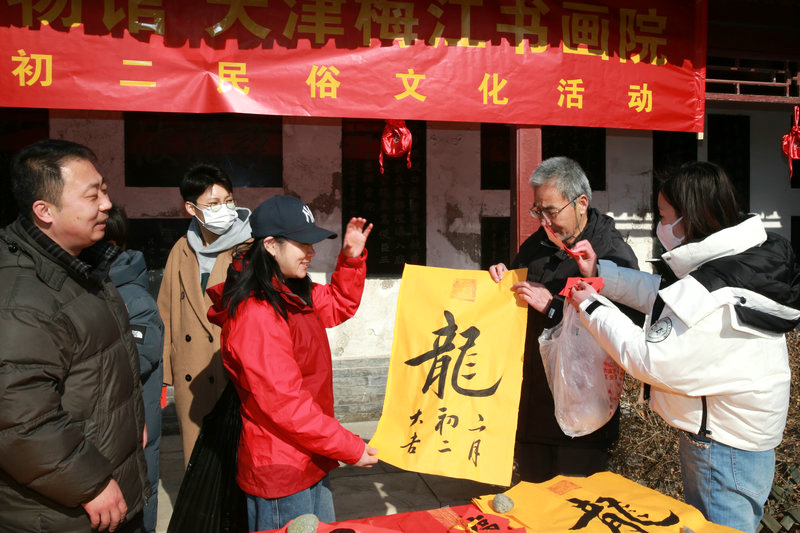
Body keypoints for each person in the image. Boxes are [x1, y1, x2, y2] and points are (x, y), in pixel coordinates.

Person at [567, 161, 800, 533]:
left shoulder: (712, 291)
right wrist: (602, 276)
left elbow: (648, 359)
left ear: (688, 218)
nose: (660, 226)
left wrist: (591, 306)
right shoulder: (744, 262)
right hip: (742, 437)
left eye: (663, 215)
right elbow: (668, 297)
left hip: (722, 449)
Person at [0, 139, 150, 532]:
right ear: (44, 211)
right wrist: (89, 482)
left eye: (104, 189)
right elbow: (18, 420)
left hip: (101, 489)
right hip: (64, 510)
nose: (106, 204)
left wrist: (129, 420)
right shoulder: (21, 297)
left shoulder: (78, 265)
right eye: (92, 195)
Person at [206, 194, 379, 532]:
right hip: (282, 467)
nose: (311, 252)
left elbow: (339, 303)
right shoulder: (257, 313)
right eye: (303, 244)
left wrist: (351, 259)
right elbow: (285, 403)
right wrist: (348, 445)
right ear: (270, 245)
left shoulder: (293, 291)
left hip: (311, 452)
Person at [489, 156, 643, 482]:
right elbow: (518, 293)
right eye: (537, 211)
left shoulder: (611, 254)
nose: (544, 220)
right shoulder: (538, 244)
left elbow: (626, 323)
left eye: (551, 210)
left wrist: (553, 306)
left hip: (583, 412)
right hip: (535, 406)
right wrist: (502, 280)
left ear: (581, 203)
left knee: (575, 510)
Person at [157, 163, 252, 465]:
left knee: (238, 462)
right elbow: (166, 312)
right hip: (192, 374)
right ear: (190, 208)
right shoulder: (181, 250)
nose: (223, 210)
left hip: (235, 373)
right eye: (213, 204)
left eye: (228, 202)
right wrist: (163, 374)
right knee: (199, 466)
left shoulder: (250, 248)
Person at [105, 206, 164, 533]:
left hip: (134, 431)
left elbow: (140, 359)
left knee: (137, 506)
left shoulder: (135, 300)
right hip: (109, 433)